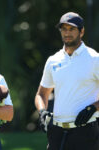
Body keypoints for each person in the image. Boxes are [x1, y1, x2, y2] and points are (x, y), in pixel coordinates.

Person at [35, 12, 99, 150]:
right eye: (64, 29)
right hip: (56, 132)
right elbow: (41, 94)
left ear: (81, 31)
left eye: (72, 29)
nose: (67, 33)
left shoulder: (94, 59)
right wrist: (42, 112)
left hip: (85, 132)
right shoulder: (53, 60)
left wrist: (93, 107)